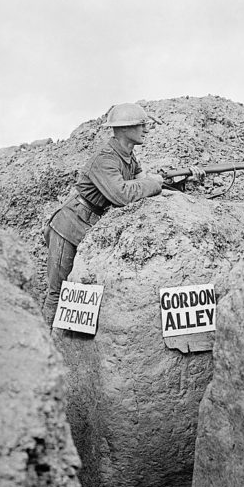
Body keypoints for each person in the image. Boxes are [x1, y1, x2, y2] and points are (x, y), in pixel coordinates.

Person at [41, 102, 204, 327]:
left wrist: (183, 180)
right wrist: (153, 183)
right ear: (125, 129)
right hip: (68, 226)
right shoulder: (105, 159)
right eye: (141, 125)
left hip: (90, 225)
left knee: (79, 289)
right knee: (58, 292)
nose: (146, 129)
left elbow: (143, 183)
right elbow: (124, 195)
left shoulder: (128, 155)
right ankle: (46, 348)